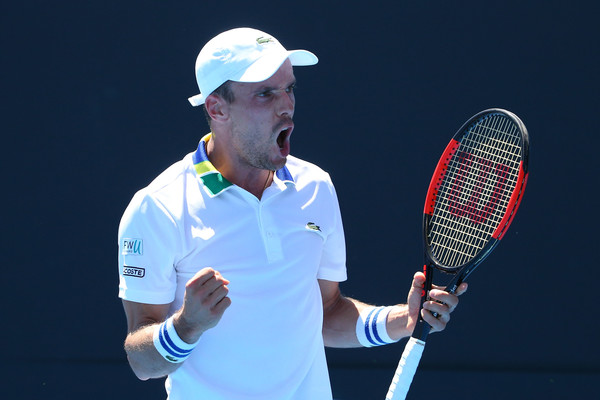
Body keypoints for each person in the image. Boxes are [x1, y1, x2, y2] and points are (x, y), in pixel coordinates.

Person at [117, 27, 467, 400]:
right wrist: (187, 327)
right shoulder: (158, 207)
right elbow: (143, 364)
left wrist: (403, 321)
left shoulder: (315, 186)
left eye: (290, 88)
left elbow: (327, 313)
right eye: (265, 93)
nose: (287, 105)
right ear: (217, 108)